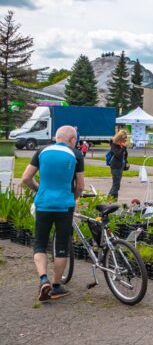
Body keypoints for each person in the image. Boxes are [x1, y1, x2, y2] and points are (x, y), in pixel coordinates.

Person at [21, 125, 84, 301]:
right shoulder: (76, 154)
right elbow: (80, 185)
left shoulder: (42, 151)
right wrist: (74, 197)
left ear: (57, 137)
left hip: (43, 204)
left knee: (40, 243)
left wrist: (39, 189)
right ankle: (56, 286)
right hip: (64, 206)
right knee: (62, 246)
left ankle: (43, 280)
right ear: (72, 140)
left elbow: (26, 178)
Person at [109, 130, 129, 200]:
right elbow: (118, 155)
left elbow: (124, 155)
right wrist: (124, 147)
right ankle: (113, 201)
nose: (125, 140)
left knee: (115, 185)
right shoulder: (114, 145)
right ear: (120, 138)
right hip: (116, 167)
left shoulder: (120, 145)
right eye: (124, 139)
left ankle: (109, 199)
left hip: (120, 166)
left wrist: (126, 162)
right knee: (116, 186)